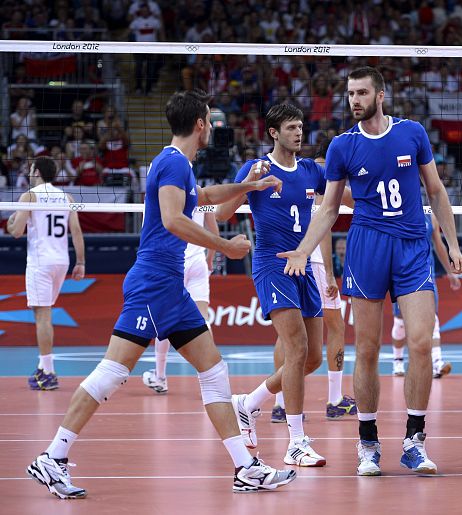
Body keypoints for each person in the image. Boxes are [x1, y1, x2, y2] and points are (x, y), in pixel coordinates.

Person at [25, 90, 295, 499]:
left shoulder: (179, 164)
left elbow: (203, 198)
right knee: (112, 373)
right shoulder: (172, 162)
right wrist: (225, 246)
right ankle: (53, 456)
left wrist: (248, 185)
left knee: (214, 371)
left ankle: (245, 467)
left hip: (171, 287)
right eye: (210, 119)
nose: (212, 126)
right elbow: (172, 219)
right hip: (153, 283)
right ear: (200, 124)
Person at [279, 66, 462, 476]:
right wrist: (303, 250)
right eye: (350, 94)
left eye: (362, 93)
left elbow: (435, 191)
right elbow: (328, 208)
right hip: (367, 247)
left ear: (380, 95)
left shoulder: (412, 133)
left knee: (420, 343)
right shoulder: (342, 146)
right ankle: (368, 442)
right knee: (366, 349)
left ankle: (414, 441)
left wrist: (452, 245)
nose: (354, 100)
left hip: (412, 245)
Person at [216, 104, 334, 467]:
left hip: (303, 265)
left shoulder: (311, 170)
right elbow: (221, 213)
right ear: (273, 132)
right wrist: (250, 183)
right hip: (272, 265)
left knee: (312, 358)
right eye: (291, 127)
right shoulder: (258, 167)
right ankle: (296, 442)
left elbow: (340, 195)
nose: (298, 133)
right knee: (296, 349)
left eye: (300, 127)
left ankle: (247, 403)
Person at [269, 138, 358, 423]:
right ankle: (335, 399)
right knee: (336, 327)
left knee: (286, 335)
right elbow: (325, 227)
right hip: (314, 262)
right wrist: (330, 273)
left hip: (292, 257)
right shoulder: (322, 176)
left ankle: (280, 404)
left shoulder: (300, 171)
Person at [7, 156, 86, 390]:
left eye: (31, 169)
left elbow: (17, 232)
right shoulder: (67, 197)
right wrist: (81, 262)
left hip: (41, 261)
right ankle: (43, 367)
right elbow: (76, 232)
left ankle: (49, 372)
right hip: (61, 261)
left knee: (43, 315)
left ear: (37, 172)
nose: (29, 173)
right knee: (44, 312)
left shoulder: (30, 196)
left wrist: (10, 222)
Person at [142, 209, 219, 394]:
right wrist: (209, 259)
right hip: (198, 261)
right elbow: (214, 231)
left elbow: (149, 231)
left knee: (164, 319)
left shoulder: (160, 195)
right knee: (203, 318)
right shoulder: (202, 196)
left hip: (173, 262)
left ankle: (160, 377)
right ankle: (211, 378)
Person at [392, 212, 461, 378]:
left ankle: (437, 362)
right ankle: (397, 361)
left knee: (432, 317)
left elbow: (438, 244)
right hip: (402, 272)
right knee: (400, 320)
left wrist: (449, 272)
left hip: (425, 273)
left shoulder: (430, 215)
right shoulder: (397, 210)